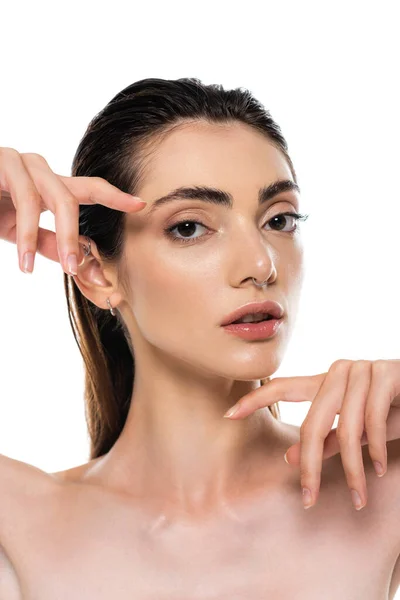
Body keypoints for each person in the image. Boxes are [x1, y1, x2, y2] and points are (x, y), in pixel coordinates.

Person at [1, 77, 400, 599]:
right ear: (97, 272)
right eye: (190, 227)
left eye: (279, 219)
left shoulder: (381, 490)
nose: (261, 265)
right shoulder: (18, 518)